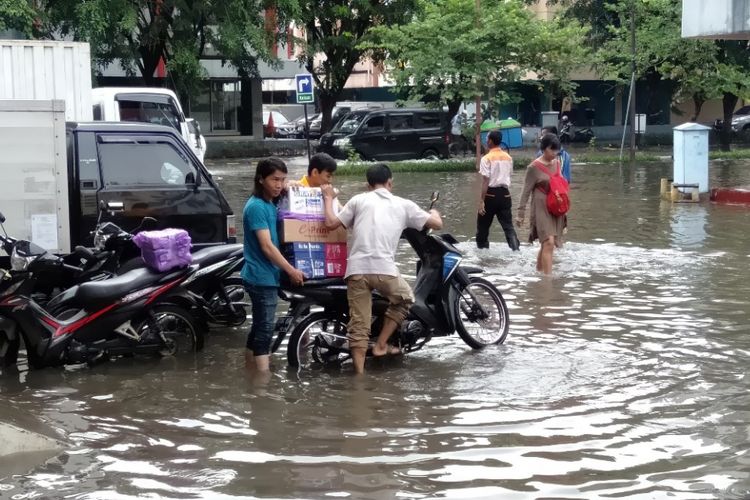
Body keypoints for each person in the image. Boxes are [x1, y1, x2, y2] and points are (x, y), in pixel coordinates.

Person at [320, 164, 443, 374]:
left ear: (368, 185)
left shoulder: (358, 200)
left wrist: (328, 197)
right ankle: (380, 345)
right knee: (406, 299)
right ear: (390, 182)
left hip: (356, 270)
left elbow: (331, 223)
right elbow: (437, 224)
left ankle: (359, 376)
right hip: (384, 270)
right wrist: (434, 211)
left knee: (359, 325)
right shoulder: (403, 204)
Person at [242, 158, 305, 372]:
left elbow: (290, 190)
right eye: (274, 180)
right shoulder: (257, 207)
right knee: (266, 329)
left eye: (282, 180)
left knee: (260, 325)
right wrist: (291, 270)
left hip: (264, 275)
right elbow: (267, 247)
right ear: (261, 179)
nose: (279, 184)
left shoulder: (270, 202)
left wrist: (291, 185)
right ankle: (262, 381)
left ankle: (249, 367)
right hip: (261, 276)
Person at [516, 134, 566, 275]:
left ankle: (538, 272)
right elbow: (525, 192)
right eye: (552, 150)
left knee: (548, 244)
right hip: (541, 207)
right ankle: (548, 279)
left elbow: (560, 184)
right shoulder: (533, 168)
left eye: (557, 150)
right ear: (544, 148)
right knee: (548, 241)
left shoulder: (557, 163)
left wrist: (564, 206)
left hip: (555, 206)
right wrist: (520, 214)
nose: (554, 153)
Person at [476, 130, 520, 251]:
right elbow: (509, 175)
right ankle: (516, 250)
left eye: (487, 138)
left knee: (483, 227)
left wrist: (481, 201)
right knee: (508, 227)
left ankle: (482, 253)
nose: (486, 140)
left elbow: (485, 181)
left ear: (490, 141)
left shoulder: (486, 159)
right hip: (505, 195)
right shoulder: (508, 158)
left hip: (490, 195)